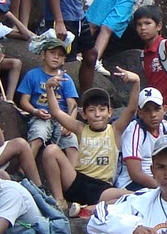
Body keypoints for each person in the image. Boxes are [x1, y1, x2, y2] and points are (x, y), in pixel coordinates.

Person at [40, 81, 132, 216]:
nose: (97, 114)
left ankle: (86, 210)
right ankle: (59, 201)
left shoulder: (114, 130)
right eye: (91, 110)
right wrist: (49, 88)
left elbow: (131, 109)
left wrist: (135, 82)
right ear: (83, 114)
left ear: (109, 112)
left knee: (132, 196)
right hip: (77, 181)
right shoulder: (80, 128)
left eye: (102, 109)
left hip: (101, 188)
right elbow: (56, 112)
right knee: (51, 150)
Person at [113, 5, 167, 125]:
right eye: (139, 24)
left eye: (147, 23)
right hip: (155, 110)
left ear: (159, 26)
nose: (143, 28)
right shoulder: (143, 55)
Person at [14, 35, 79, 160]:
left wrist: (70, 123)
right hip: (41, 115)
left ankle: (73, 176)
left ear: (64, 60)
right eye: (52, 53)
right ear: (43, 55)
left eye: (60, 55)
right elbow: (23, 101)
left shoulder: (66, 79)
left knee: (71, 142)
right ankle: (23, 172)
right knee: (38, 136)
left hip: (61, 117)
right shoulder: (32, 75)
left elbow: (73, 105)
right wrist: (35, 111)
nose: (56, 57)